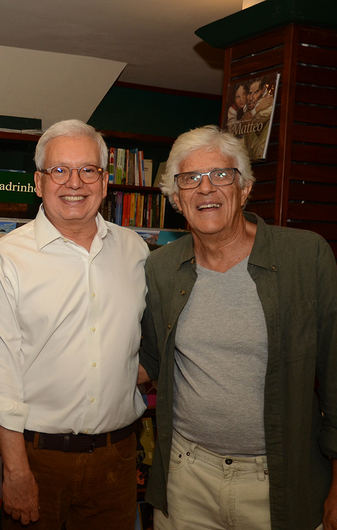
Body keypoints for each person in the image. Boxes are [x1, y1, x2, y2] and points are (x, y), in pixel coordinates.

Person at [139, 125, 337, 530]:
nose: (205, 188)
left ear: (244, 189)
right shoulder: (160, 267)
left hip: (281, 481)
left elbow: (335, 373)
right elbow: (149, 360)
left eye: (221, 175)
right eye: (190, 179)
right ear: (177, 199)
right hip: (186, 479)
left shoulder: (305, 255)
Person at [0, 119, 150, 529]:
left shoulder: (135, 251)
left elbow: (149, 341)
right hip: (38, 458)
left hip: (118, 458)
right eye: (59, 170)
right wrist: (17, 471)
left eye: (87, 170)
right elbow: (1, 376)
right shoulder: (7, 257)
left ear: (105, 181)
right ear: (39, 182)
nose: (74, 182)